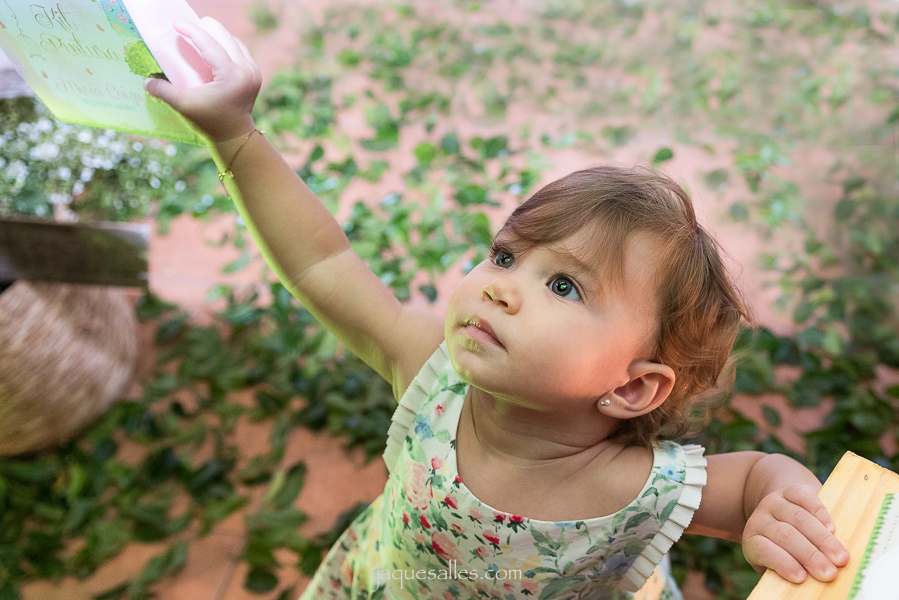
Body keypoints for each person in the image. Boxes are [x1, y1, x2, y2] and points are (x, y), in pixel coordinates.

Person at [146, 17, 851, 599]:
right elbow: (321, 261)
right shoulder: (429, 375)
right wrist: (235, 134)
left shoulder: (633, 488)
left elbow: (757, 477)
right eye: (507, 256)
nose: (500, 285)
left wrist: (780, 500)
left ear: (631, 385)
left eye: (565, 286)